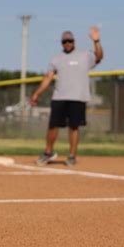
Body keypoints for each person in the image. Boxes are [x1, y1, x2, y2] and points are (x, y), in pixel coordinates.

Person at [30, 27, 103, 166]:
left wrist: (96, 41)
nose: (67, 43)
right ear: (61, 43)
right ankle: (48, 152)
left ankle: (72, 155)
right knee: (53, 126)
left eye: (70, 40)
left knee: (74, 127)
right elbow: (48, 78)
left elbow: (99, 56)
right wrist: (36, 94)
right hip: (59, 97)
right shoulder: (56, 59)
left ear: (74, 41)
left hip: (78, 97)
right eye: (65, 41)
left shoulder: (85, 55)